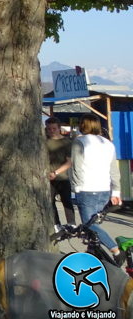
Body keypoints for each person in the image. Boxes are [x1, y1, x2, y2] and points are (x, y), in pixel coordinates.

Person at [54, 113, 123, 264]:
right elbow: (114, 170)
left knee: (89, 225)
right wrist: (116, 190)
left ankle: (115, 250)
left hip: (87, 188)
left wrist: (76, 187)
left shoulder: (80, 142)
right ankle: (94, 254)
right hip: (104, 189)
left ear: (83, 125)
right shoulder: (108, 143)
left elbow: (76, 167)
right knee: (95, 224)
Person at [45, 117, 76, 226]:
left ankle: (71, 224)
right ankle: (56, 224)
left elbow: (69, 162)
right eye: (49, 129)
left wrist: (56, 172)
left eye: (54, 128)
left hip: (62, 176)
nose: (51, 131)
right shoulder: (44, 141)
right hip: (47, 177)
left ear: (59, 128)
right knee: (50, 202)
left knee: (66, 201)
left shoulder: (66, 142)